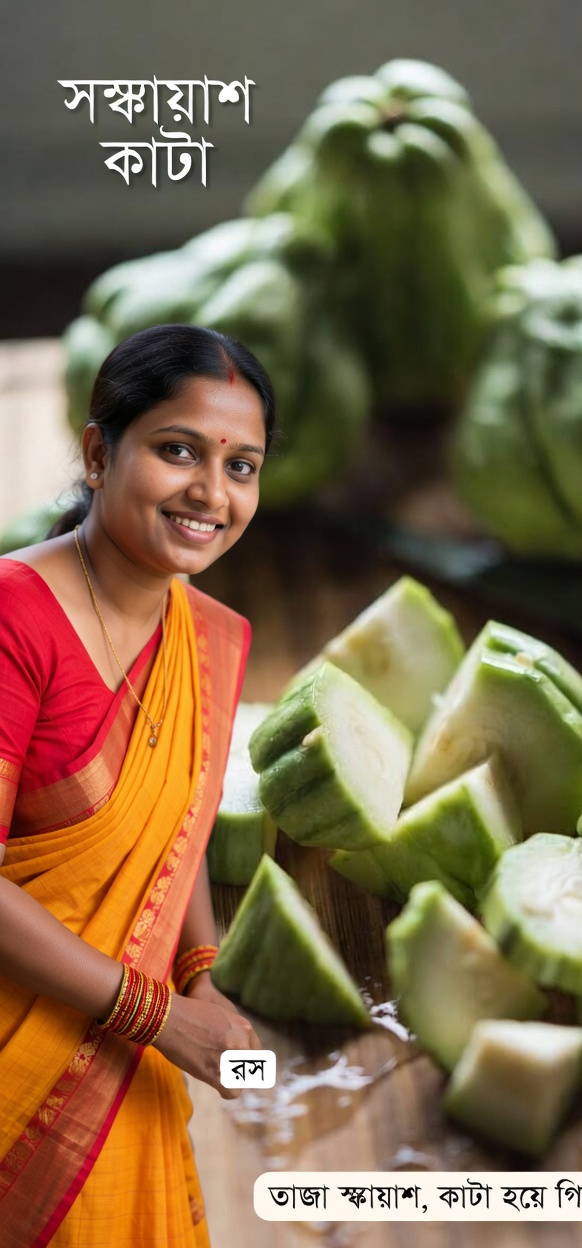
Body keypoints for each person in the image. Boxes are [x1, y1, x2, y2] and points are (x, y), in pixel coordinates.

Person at [0, 323, 274, 1246]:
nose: (211, 492)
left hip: (121, 1049)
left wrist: (199, 976)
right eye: (178, 450)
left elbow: (175, 824)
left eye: (243, 466)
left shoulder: (207, 636)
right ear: (96, 452)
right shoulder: (13, 617)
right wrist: (159, 1016)